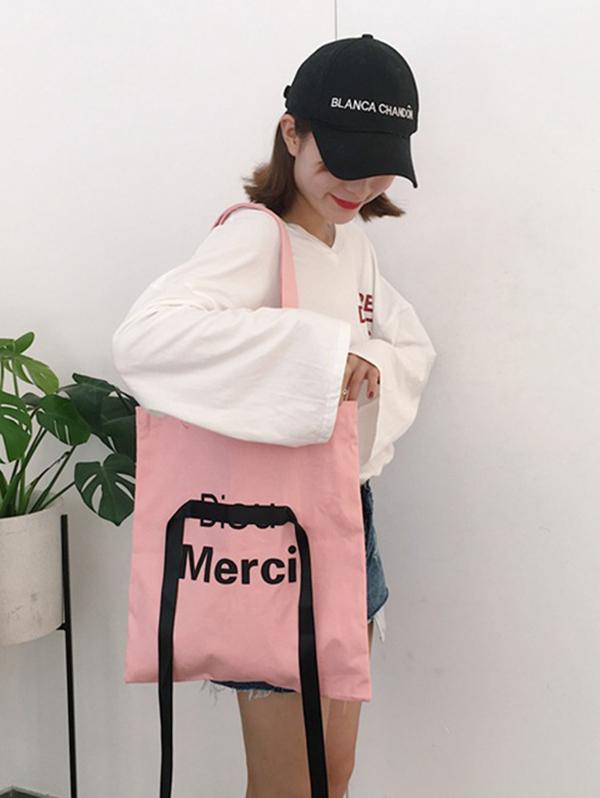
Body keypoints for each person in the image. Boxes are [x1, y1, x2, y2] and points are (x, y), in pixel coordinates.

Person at [112, 33, 436, 798]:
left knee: (332, 772)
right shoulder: (256, 236)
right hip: (273, 537)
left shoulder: (351, 244)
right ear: (292, 133)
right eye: (341, 159)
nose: (359, 184)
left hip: (346, 524)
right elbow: (145, 340)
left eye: (378, 164)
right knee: (291, 782)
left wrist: (363, 363)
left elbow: (409, 346)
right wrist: (321, 358)